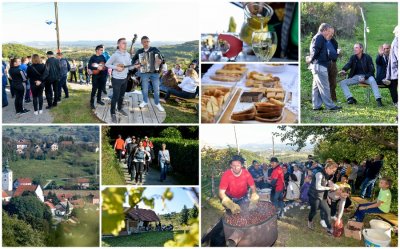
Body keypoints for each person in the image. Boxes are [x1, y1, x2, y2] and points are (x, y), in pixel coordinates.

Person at [307, 23, 341, 111]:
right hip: (319, 65)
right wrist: (310, 59)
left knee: (316, 87)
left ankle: (316, 106)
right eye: (329, 31)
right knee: (325, 86)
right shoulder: (319, 37)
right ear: (324, 30)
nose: (330, 34)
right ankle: (330, 106)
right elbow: (315, 50)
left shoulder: (320, 38)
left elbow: (320, 51)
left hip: (317, 65)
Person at [132, 36, 165, 112]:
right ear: (141, 43)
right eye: (144, 42)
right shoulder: (139, 51)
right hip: (144, 73)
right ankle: (145, 101)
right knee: (145, 88)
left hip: (155, 72)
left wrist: (161, 60)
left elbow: (161, 57)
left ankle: (157, 103)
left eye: (147, 41)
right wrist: (135, 64)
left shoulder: (154, 49)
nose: (146, 43)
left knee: (156, 89)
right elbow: (133, 59)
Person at [105, 38, 134, 123]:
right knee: (115, 96)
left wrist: (135, 66)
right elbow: (107, 64)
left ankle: (119, 108)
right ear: (118, 45)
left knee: (122, 96)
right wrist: (116, 67)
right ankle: (112, 113)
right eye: (123, 43)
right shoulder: (115, 55)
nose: (125, 44)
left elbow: (129, 66)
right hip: (116, 79)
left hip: (125, 78)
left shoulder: (128, 54)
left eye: (126, 43)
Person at [307, 159, 338, 235]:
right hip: (314, 196)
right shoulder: (319, 174)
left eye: (334, 171)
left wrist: (327, 197)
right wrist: (329, 188)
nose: (333, 172)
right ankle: (310, 221)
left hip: (321, 196)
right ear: (328, 168)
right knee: (314, 211)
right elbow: (318, 187)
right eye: (333, 171)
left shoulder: (327, 175)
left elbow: (325, 186)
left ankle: (329, 228)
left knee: (328, 211)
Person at [383, 26, 399, 106]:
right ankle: (396, 102)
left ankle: (396, 102)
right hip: (395, 69)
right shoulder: (396, 42)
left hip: (394, 70)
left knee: (393, 85)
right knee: (393, 85)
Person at [89, 45, 107, 109]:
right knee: (94, 89)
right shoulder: (93, 57)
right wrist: (97, 67)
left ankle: (99, 100)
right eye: (101, 50)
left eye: (102, 50)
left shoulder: (102, 56)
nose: (102, 51)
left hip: (102, 75)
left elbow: (105, 64)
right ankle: (91, 103)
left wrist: (104, 67)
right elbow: (89, 66)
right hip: (95, 76)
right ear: (97, 50)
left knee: (100, 89)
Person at [327, 28, 340, 102]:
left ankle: (333, 98)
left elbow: (335, 53)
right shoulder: (322, 40)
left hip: (333, 63)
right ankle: (325, 99)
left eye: (333, 33)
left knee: (333, 82)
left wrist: (338, 53)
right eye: (330, 32)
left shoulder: (334, 42)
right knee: (325, 82)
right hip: (325, 63)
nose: (331, 34)